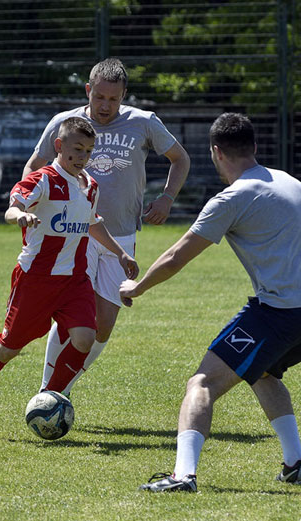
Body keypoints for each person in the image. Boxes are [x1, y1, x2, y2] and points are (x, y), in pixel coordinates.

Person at [119, 112, 301, 492]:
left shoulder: (231, 199)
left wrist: (137, 287)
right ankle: (295, 463)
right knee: (263, 372)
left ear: (216, 152)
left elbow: (176, 257)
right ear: (254, 148)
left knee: (201, 383)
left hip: (281, 315)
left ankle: (183, 476)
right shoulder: (291, 183)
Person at [0, 117, 139, 436]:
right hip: (35, 280)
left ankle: (48, 397)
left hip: (74, 280)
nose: (82, 156)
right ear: (59, 146)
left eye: (88, 150)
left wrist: (120, 253)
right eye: (76, 149)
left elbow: (92, 222)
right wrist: (21, 216)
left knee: (84, 338)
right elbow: (12, 207)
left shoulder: (89, 186)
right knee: (8, 348)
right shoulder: (43, 180)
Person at [23, 57, 190, 396]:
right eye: (99, 96)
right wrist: (27, 207)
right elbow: (35, 165)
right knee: (72, 319)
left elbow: (180, 158)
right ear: (88, 90)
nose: (104, 105)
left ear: (124, 95)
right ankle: (51, 392)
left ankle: (59, 388)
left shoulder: (143, 122)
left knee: (104, 325)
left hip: (121, 235)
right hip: (74, 233)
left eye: (113, 99)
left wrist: (167, 197)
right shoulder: (65, 123)